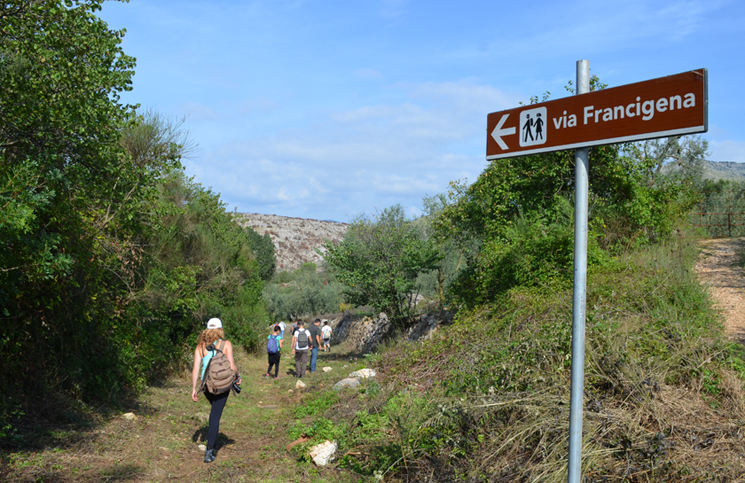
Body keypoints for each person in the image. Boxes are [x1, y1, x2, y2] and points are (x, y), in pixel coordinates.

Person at [191, 318, 241, 464]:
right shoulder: (226, 344)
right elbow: (232, 367)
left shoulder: (200, 347)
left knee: (214, 410)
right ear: (220, 329)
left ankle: (210, 444)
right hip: (223, 385)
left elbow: (195, 369)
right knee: (215, 416)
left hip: (207, 386)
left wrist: (194, 388)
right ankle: (209, 451)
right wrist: (238, 376)